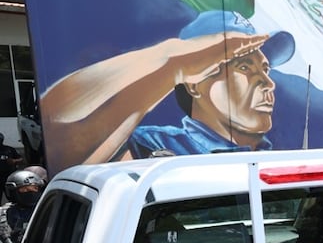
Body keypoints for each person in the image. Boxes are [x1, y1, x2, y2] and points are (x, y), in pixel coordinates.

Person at [40, 9, 296, 167]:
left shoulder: (277, 156)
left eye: (265, 68)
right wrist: (173, 62)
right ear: (195, 82)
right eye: (244, 68)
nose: (267, 81)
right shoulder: (150, 147)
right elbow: (61, 134)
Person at [0, 169, 45, 243]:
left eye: (35, 188)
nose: (31, 192)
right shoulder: (4, 214)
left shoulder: (46, 208)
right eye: (24, 189)